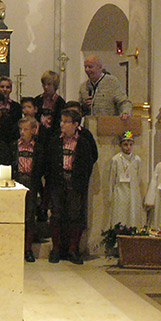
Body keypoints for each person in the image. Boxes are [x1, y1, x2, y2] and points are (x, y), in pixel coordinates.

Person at [34, 109, 97, 265]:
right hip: (57, 182)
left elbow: (87, 165)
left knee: (75, 216)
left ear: (76, 124)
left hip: (75, 183)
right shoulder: (55, 140)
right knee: (56, 215)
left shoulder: (83, 142)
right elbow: (49, 162)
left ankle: (72, 250)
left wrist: (80, 182)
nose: (62, 124)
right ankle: (56, 249)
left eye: (66, 121)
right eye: (61, 121)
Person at [13, 117, 44, 263]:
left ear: (33, 130)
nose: (22, 132)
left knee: (29, 216)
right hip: (17, 181)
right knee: (16, 215)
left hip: (32, 182)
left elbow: (41, 168)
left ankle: (28, 248)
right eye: (20, 129)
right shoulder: (14, 146)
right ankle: (16, 247)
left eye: (26, 129)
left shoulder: (38, 148)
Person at [108, 131, 145, 229]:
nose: (128, 147)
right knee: (120, 214)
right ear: (120, 145)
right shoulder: (116, 159)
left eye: (130, 144)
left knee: (132, 215)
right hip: (120, 191)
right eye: (125, 144)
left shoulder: (137, 160)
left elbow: (139, 177)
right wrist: (110, 195)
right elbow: (112, 178)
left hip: (133, 191)